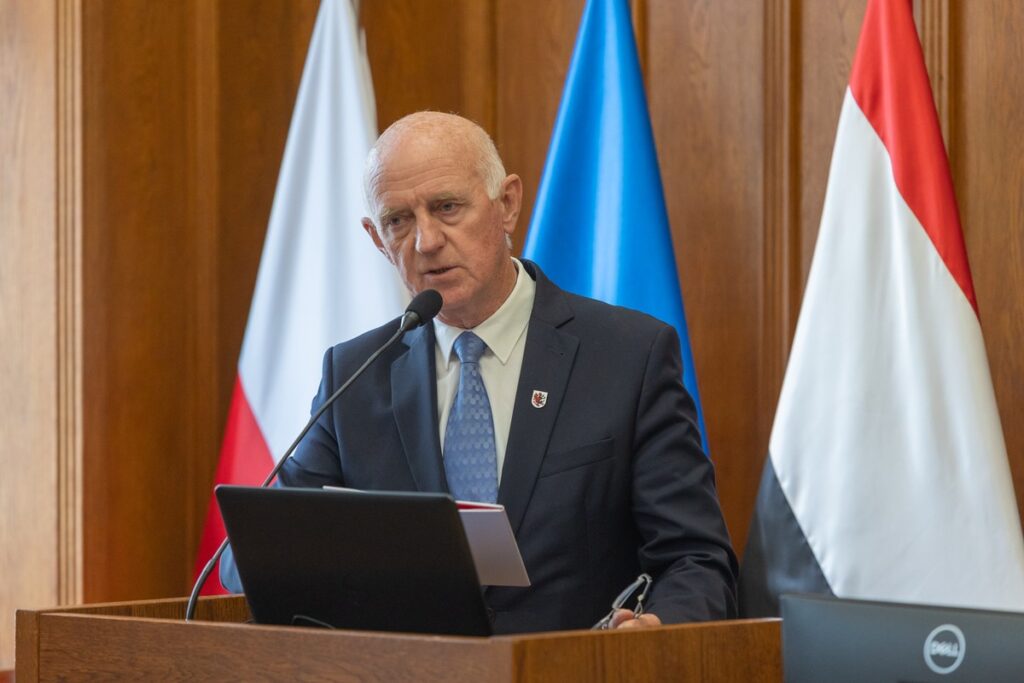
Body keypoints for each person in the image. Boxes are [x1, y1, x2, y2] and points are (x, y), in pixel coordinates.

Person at [221, 112, 738, 632]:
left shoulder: (629, 356)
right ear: (377, 240)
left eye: (447, 208)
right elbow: (247, 556)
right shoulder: (356, 375)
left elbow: (696, 560)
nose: (425, 241)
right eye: (398, 220)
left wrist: (658, 630)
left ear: (507, 204)